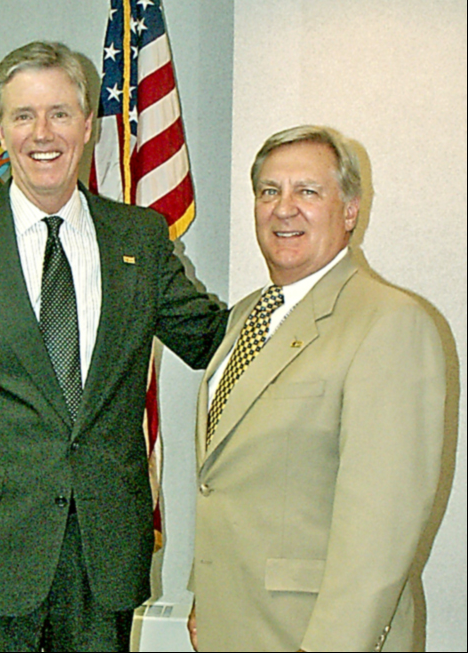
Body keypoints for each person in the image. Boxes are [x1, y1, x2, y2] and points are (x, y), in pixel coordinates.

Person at [0, 41, 228, 653]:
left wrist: (302, 298)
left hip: (102, 557)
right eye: (24, 115)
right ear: (0, 127)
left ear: (88, 124)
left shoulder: (140, 238)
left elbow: (211, 340)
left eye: (60, 113)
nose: (42, 133)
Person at [187, 126, 446, 652]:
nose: (284, 208)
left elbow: (382, 530)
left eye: (307, 191)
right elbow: (230, 482)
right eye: (269, 191)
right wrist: (206, 596)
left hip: (313, 637)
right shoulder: (245, 317)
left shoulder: (390, 323)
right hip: (232, 626)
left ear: (350, 210)